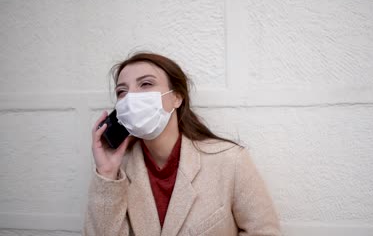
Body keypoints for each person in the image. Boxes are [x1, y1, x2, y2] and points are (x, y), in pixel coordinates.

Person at [83, 53, 281, 236]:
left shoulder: (230, 160)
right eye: (121, 91)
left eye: (145, 84)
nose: (131, 97)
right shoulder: (118, 171)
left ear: (177, 97)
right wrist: (107, 174)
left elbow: (264, 232)